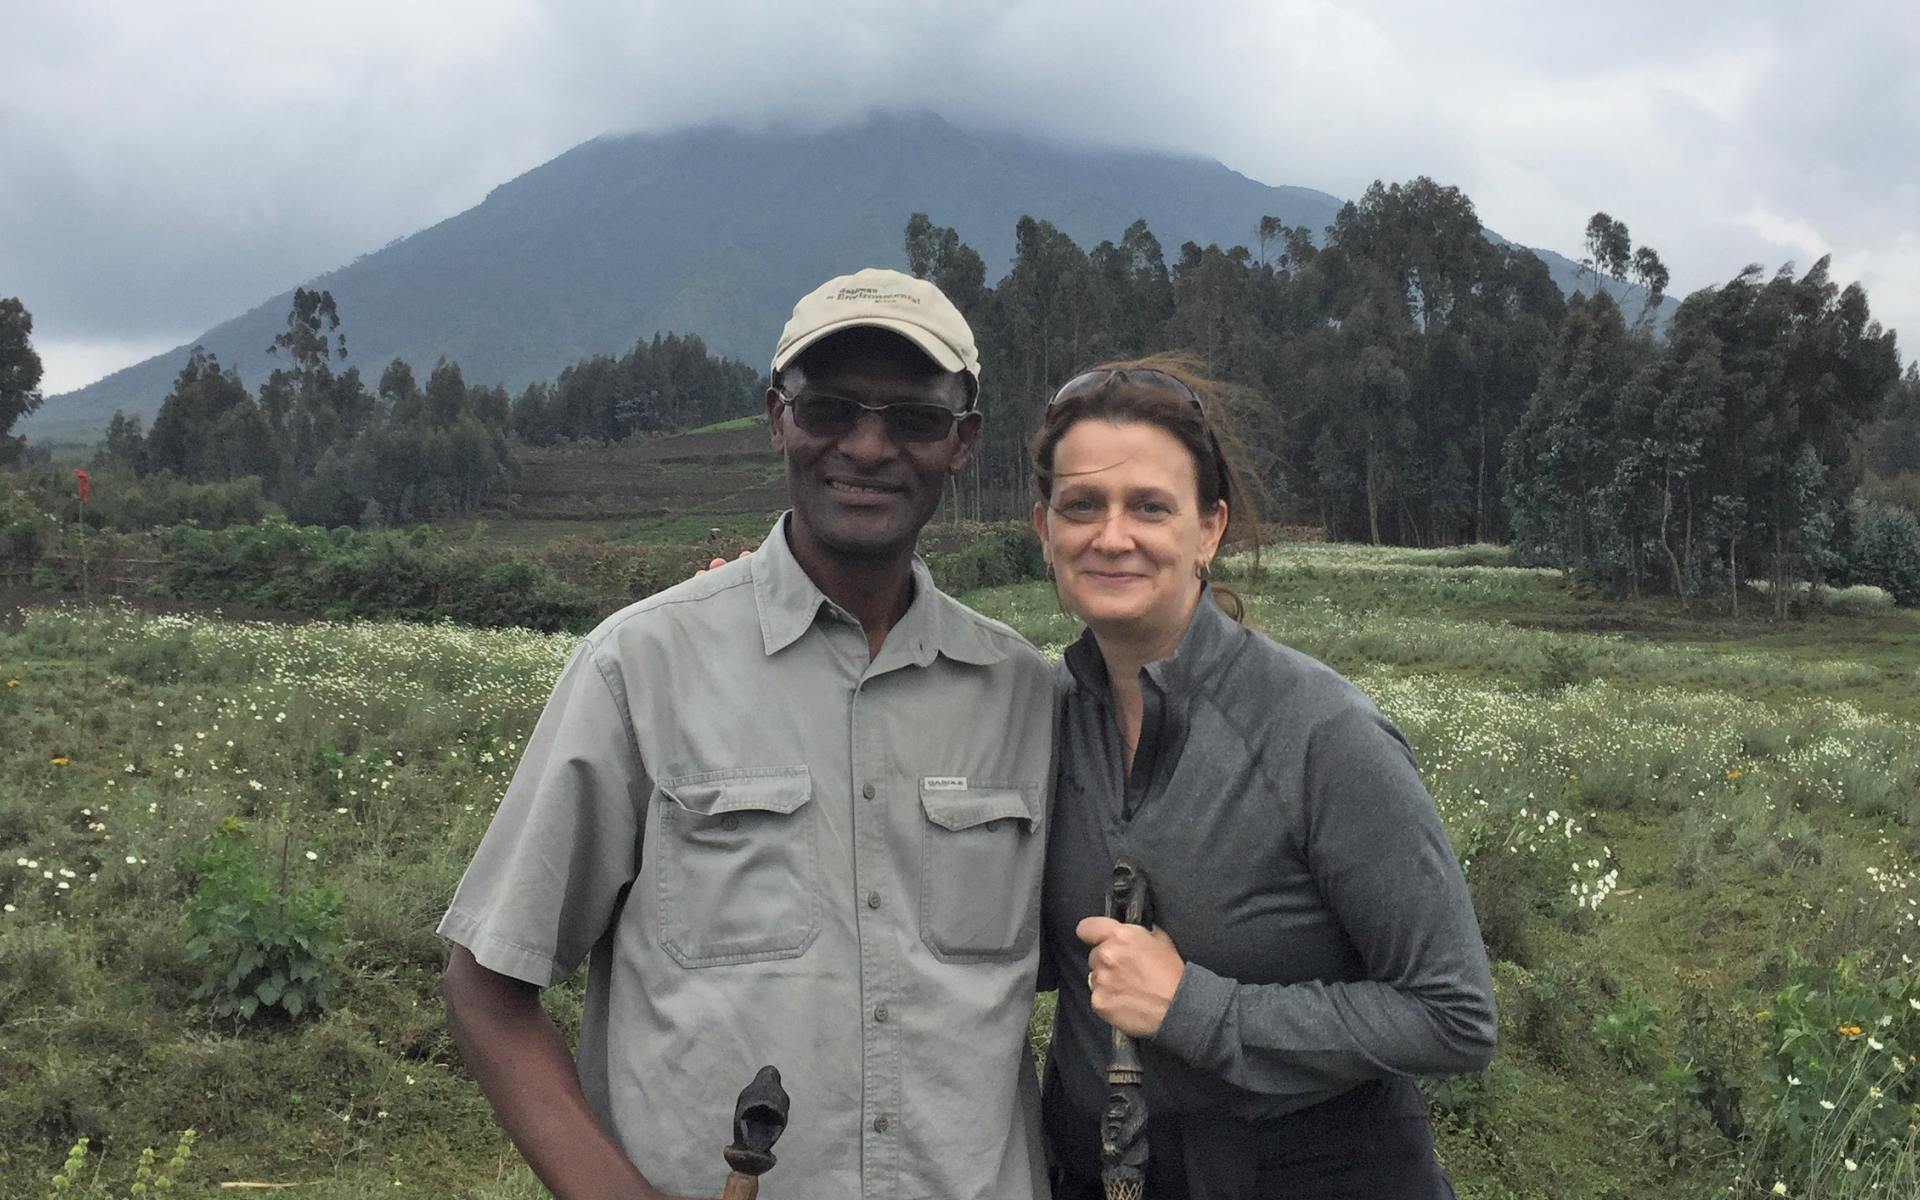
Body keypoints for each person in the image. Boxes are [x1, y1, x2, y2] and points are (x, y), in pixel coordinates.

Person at [439, 268, 1057, 1200]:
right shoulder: (639, 668)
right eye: (829, 410)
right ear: (778, 420)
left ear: (961, 441)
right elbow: (488, 988)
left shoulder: (1027, 695)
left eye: (915, 420)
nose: (867, 446)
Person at [1030, 357, 1497, 1200]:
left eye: (1149, 507)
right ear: (1044, 530)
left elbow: (1454, 1014)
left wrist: (1195, 1009)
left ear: (1209, 530)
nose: (1111, 535)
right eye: (1081, 506)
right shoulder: (1040, 716)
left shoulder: (1323, 734)